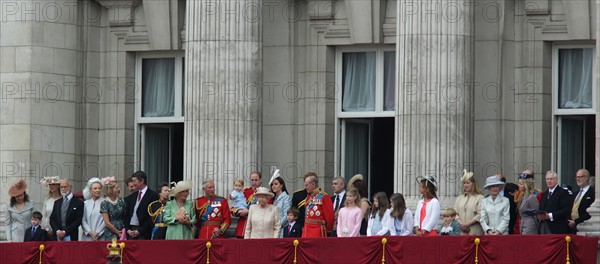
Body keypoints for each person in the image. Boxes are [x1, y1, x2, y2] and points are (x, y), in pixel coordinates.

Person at [125, 171, 160, 240]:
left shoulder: (153, 195)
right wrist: (128, 229)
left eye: (135, 181)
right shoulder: (132, 196)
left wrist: (140, 231)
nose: (133, 183)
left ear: (142, 181)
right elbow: (127, 215)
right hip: (131, 231)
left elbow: (152, 217)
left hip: (144, 232)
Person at [453, 170, 484, 235]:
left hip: (475, 231)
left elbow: (480, 214)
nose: (465, 185)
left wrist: (467, 224)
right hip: (461, 231)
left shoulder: (480, 197)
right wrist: (462, 224)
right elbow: (454, 213)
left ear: (473, 184)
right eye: (464, 183)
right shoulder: (459, 198)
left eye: (467, 183)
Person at [234, 171, 262, 238]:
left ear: (260, 180)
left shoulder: (265, 193)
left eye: (256, 180)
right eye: (252, 180)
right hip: (244, 226)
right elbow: (233, 208)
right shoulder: (244, 192)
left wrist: (249, 212)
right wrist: (239, 211)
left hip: (258, 227)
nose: (254, 182)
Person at [569, 169, 595, 233]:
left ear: (587, 178)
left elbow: (590, 212)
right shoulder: (575, 194)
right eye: (577, 177)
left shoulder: (592, 193)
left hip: (585, 227)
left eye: (580, 177)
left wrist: (576, 222)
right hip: (572, 228)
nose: (578, 179)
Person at [270, 172, 291, 237]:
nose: (273, 186)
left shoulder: (286, 197)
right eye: (272, 184)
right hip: (273, 229)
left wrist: (278, 225)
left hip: (282, 229)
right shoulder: (273, 199)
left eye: (276, 184)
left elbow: (286, 215)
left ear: (281, 185)